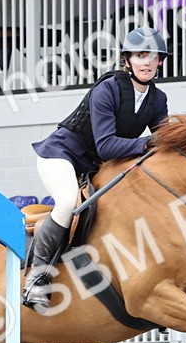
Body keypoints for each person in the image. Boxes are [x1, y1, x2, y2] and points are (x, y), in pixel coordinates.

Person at [22, 26, 169, 311]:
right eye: (141, 55)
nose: (147, 62)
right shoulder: (109, 88)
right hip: (62, 155)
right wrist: (150, 142)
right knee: (67, 203)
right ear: (127, 60)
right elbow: (107, 146)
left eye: (153, 57)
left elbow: (164, 140)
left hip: (94, 167)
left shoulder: (158, 99)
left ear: (160, 62)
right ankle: (36, 280)